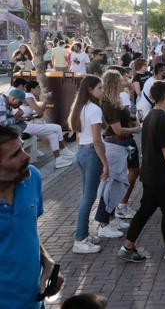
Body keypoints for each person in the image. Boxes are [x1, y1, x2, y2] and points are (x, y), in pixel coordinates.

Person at [118, 80, 165, 263]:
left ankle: (128, 246)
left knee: (145, 210)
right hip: (161, 175)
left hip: (150, 173)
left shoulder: (151, 116)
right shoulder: (163, 118)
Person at [0, 125, 63, 309]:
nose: (26, 156)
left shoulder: (32, 177)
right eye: (14, 154)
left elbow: (26, 230)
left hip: (35, 301)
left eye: (21, 147)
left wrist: (47, 261)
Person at [94, 71, 143, 239]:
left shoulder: (115, 100)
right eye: (122, 79)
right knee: (111, 185)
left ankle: (112, 218)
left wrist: (132, 119)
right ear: (115, 82)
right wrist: (137, 129)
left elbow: (122, 122)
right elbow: (118, 130)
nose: (125, 80)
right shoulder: (109, 103)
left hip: (120, 145)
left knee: (116, 184)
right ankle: (103, 223)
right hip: (115, 145)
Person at [68, 75, 108, 254]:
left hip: (83, 152)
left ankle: (83, 234)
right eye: (100, 88)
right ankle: (80, 239)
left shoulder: (80, 107)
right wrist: (105, 163)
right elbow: (97, 139)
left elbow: (79, 136)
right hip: (91, 153)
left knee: (86, 196)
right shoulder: (93, 109)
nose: (102, 90)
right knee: (88, 198)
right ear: (90, 90)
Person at [20, 81, 75, 168]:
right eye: (38, 87)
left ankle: (58, 160)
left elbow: (35, 113)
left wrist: (40, 110)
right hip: (26, 126)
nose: (40, 89)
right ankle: (63, 149)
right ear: (32, 89)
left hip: (28, 124)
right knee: (57, 127)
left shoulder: (29, 96)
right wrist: (46, 100)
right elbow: (40, 113)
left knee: (53, 135)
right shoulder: (29, 96)